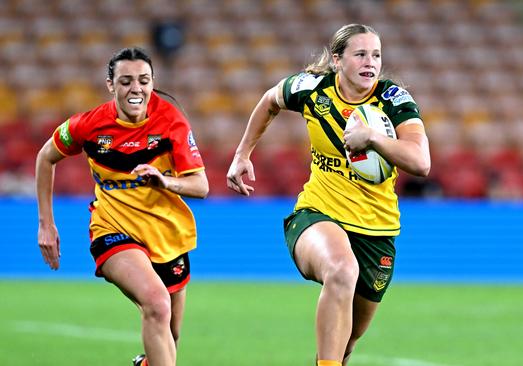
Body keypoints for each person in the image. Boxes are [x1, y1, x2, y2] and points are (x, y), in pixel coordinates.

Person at [227, 24, 431, 366]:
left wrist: (373, 138)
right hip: (317, 214)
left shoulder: (393, 100)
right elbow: (269, 100)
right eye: (361, 54)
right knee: (340, 269)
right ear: (337, 61)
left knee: (347, 341)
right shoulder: (311, 88)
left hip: (377, 231)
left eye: (376, 55)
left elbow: (421, 162)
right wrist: (242, 154)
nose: (371, 62)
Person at [36, 47, 209, 366]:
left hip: (167, 234)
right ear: (110, 85)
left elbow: (201, 186)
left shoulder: (171, 121)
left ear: (152, 82)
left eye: (143, 80)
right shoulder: (88, 125)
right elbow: (46, 157)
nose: (136, 88)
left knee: (170, 335)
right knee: (157, 304)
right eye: (126, 81)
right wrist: (46, 224)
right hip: (112, 230)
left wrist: (164, 182)